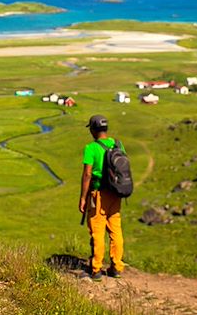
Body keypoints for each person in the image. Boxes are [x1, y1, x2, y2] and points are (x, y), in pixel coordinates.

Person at [79, 114, 125, 280]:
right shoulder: (118, 144)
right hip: (116, 193)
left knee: (97, 231)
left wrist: (83, 198)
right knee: (115, 230)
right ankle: (117, 267)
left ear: (92, 129)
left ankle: (96, 269)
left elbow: (87, 174)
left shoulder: (91, 148)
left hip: (98, 194)